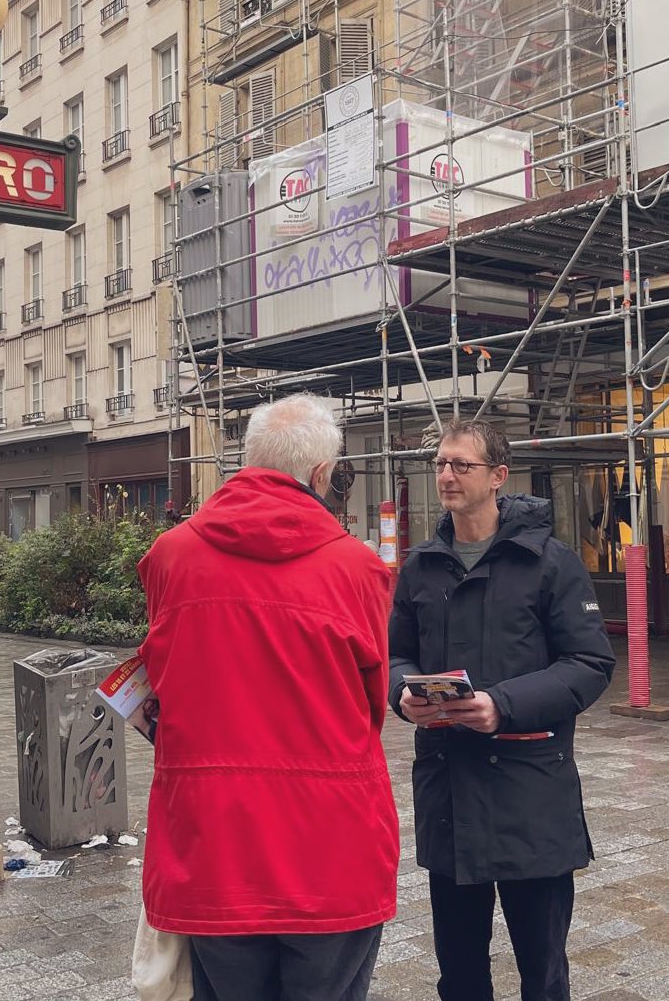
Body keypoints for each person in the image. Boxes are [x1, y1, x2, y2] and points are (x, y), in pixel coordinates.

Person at [137, 393, 399, 1001]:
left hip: (212, 841)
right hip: (330, 845)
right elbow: (371, 707)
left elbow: (167, 677)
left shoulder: (171, 557)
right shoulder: (357, 570)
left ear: (247, 460)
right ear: (321, 474)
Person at [389, 418, 615, 1001]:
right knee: (459, 973)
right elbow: (396, 655)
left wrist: (503, 705)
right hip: (448, 795)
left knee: (542, 972)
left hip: (529, 796)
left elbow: (589, 663)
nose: (446, 475)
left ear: (498, 477)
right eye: (440, 463)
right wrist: (404, 694)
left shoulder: (548, 562)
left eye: (461, 465)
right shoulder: (421, 565)